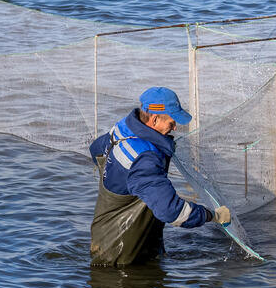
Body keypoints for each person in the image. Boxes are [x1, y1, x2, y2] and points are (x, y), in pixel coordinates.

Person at [89, 86, 231, 266]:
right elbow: (172, 211)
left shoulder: (122, 129)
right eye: (171, 122)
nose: (175, 127)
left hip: (103, 238)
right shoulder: (145, 159)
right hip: (123, 257)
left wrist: (119, 177)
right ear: (154, 119)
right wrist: (212, 215)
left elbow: (96, 151)